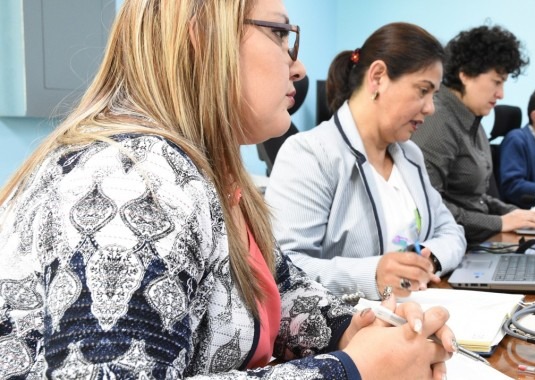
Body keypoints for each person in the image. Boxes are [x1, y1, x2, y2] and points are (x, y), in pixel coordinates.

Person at [0, 1, 456, 378]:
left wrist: (357, 328)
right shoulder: (131, 178)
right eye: (280, 35)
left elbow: (280, 288)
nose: (298, 67)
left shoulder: (207, 173)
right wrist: (349, 370)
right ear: (202, 34)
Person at [265, 22, 466, 302]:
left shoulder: (410, 155)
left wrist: (427, 261)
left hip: (418, 309)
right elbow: (283, 269)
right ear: (378, 77)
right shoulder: (310, 154)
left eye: (434, 95)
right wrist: (374, 274)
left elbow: (451, 232)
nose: (430, 108)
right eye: (423, 91)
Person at [410, 25, 535, 245]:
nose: (501, 94)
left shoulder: (473, 120)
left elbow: (473, 199)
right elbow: (428, 207)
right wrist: (500, 222)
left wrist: (514, 213)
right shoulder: (438, 121)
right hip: (450, 248)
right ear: (466, 74)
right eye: (497, 82)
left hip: (475, 241)